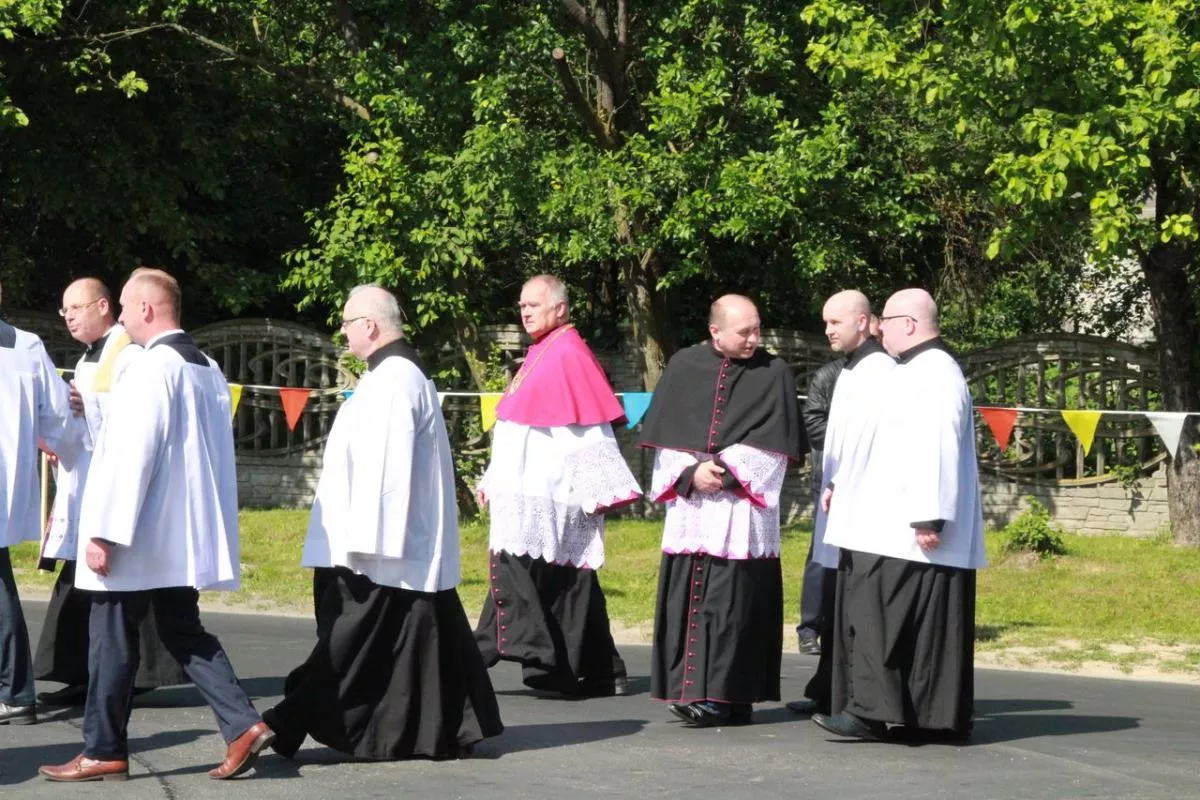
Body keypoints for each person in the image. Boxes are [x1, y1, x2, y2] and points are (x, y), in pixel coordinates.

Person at [39, 269, 274, 782]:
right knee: (181, 629)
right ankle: (243, 724)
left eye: (124, 306)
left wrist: (104, 532)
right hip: (179, 533)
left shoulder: (150, 367)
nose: (121, 317)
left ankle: (103, 748)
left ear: (146, 308)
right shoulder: (206, 367)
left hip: (139, 532)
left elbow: (132, 454)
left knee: (110, 638)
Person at [263, 285, 503, 760]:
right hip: (389, 545)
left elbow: (385, 471)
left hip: (380, 548)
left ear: (369, 325)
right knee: (405, 641)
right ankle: (435, 729)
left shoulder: (395, 380)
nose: (344, 332)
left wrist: (366, 547)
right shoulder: (392, 375)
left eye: (347, 323)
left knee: (351, 644)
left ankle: (286, 722)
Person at [813, 288, 986, 742]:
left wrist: (931, 515)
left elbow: (939, 445)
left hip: (905, 527)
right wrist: (841, 482)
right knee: (889, 618)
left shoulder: (936, 372)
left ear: (908, 324)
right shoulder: (912, 371)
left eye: (885, 320)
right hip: (885, 522)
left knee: (881, 616)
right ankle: (911, 715)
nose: (878, 328)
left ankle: (872, 714)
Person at [474, 275, 641, 697]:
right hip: (530, 491)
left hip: (546, 493)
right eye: (521, 305)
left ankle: (505, 658)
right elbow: (517, 428)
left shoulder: (566, 353)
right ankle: (601, 671)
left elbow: (587, 429)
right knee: (567, 579)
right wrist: (493, 479)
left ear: (560, 309)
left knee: (515, 574)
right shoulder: (544, 351)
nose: (525, 312)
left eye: (533, 304)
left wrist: (602, 489)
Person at [640, 294, 802, 727]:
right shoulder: (683, 366)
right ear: (715, 331)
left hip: (740, 511)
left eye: (757, 329)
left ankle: (730, 697)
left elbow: (776, 444)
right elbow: (667, 435)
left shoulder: (774, 372)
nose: (754, 339)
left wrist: (728, 473)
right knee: (693, 597)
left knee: (733, 605)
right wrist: (691, 472)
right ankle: (697, 693)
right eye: (744, 332)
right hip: (694, 507)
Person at [34, 278, 186, 707]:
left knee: (116, 588)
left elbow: (131, 422)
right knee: (83, 584)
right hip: (85, 479)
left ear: (103, 306)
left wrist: (86, 411)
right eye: (64, 311)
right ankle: (84, 673)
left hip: (111, 486)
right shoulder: (93, 354)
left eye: (76, 308)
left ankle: (124, 676)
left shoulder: (127, 352)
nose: (68, 317)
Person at [787, 293, 893, 717]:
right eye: (825, 322)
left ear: (863, 321)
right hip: (839, 492)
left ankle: (852, 696)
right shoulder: (848, 369)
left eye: (835, 322)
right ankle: (829, 688)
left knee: (853, 600)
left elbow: (869, 439)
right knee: (834, 592)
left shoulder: (877, 370)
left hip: (861, 501)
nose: (828, 330)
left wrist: (843, 481)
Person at [0, 280, 79, 726]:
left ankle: (15, 690)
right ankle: (14, 689)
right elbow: (58, 416)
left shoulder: (25, 346)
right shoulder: (25, 345)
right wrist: (67, 452)